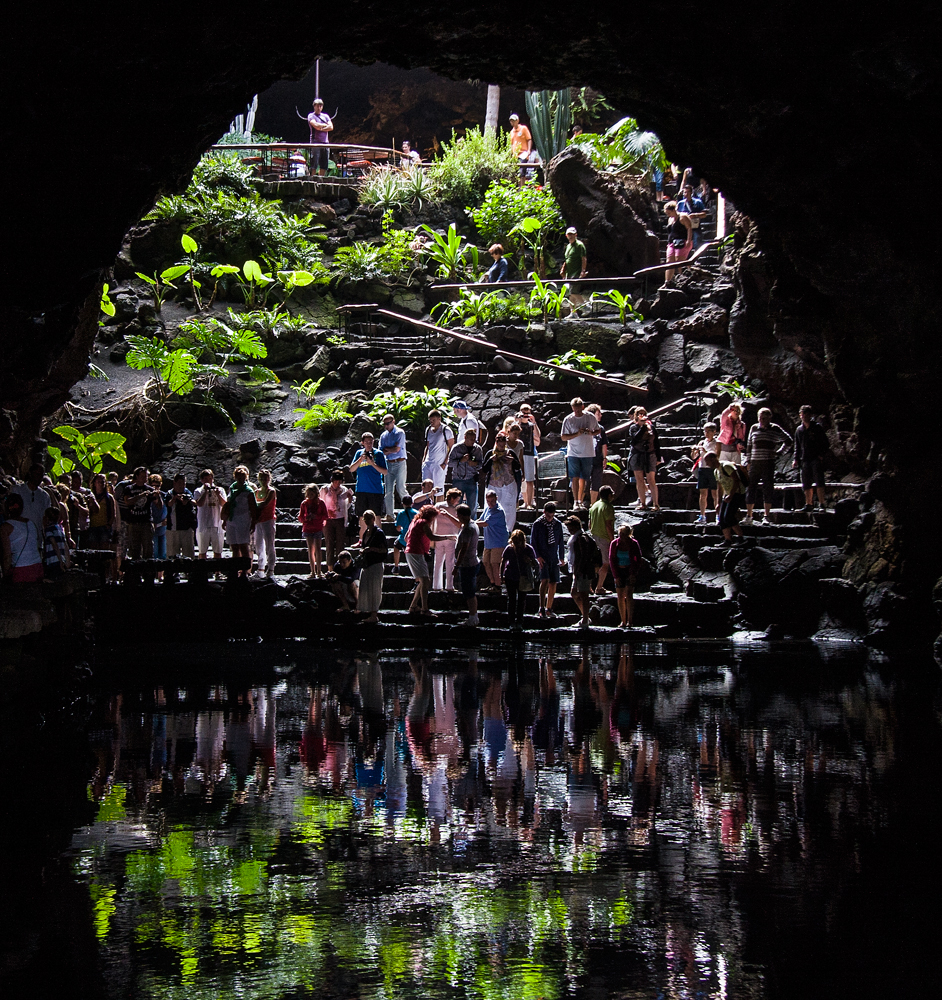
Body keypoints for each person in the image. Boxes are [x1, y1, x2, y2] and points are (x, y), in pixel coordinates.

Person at [742, 407, 792, 525]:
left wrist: (779, 453)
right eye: (760, 418)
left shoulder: (775, 429)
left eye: (765, 418)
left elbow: (788, 441)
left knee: (768, 488)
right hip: (755, 462)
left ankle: (767, 515)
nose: (762, 420)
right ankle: (749, 515)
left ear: (769, 418)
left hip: (768, 462)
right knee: (751, 488)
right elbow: (749, 445)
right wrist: (748, 461)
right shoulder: (754, 428)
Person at [405, 505, 456, 616]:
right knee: (425, 580)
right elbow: (432, 537)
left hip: (411, 551)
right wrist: (447, 537)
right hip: (416, 552)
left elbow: (406, 538)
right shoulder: (423, 523)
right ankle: (424, 609)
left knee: (422, 581)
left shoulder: (414, 521)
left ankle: (413, 606)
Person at [530, 501, 567, 618]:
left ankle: (549, 607)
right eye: (548, 516)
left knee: (553, 582)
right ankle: (541, 606)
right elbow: (533, 542)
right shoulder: (538, 524)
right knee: (544, 580)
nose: (550, 518)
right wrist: (538, 556)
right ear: (544, 512)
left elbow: (561, 541)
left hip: (553, 556)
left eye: (552, 516)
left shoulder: (557, 524)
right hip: (543, 556)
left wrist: (561, 557)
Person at [560, 397, 599, 509]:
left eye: (578, 409)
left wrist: (590, 433)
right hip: (573, 452)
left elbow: (598, 430)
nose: (577, 411)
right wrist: (577, 434)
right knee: (575, 477)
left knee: (584, 477)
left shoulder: (590, 417)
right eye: (575, 409)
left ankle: (580, 500)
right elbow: (563, 437)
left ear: (582, 407)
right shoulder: (568, 419)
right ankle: (576, 501)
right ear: (572, 408)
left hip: (587, 452)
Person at [481, 432, 522, 531]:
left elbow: (518, 467)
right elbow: (484, 469)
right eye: (499, 443)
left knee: (509, 509)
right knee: (491, 506)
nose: (501, 446)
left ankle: (508, 530)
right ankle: (491, 528)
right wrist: (491, 460)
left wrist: (512, 461)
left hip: (508, 483)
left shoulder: (510, 453)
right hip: (494, 484)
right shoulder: (490, 453)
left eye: (503, 444)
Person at [567, 516, 602, 628]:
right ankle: (585, 616)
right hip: (578, 570)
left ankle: (585, 621)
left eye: (570, 528)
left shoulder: (582, 538)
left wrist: (578, 571)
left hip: (583, 571)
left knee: (583, 595)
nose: (569, 530)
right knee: (574, 593)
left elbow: (584, 556)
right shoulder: (576, 537)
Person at [500, 528, 539, 629]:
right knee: (512, 600)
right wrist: (501, 575)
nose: (517, 544)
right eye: (515, 542)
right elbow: (503, 562)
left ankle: (519, 622)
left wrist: (529, 561)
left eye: (519, 542)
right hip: (510, 577)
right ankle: (512, 622)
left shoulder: (528, 549)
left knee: (521, 600)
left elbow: (535, 564)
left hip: (523, 577)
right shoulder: (509, 549)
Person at [793, 405, 830, 511]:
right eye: (803, 414)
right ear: (800, 415)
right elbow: (797, 446)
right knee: (806, 482)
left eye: (807, 414)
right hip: (804, 459)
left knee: (819, 480)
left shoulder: (817, 428)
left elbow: (825, 443)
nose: (805, 416)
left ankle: (822, 504)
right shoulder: (799, 430)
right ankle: (809, 504)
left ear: (810, 415)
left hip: (816, 459)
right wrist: (796, 459)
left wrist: (821, 455)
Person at [223, 465, 258, 576]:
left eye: (243, 477)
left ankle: (244, 570)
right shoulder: (232, 489)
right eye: (239, 477)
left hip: (243, 520)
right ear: (235, 477)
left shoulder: (248, 491)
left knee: (243, 545)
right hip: (232, 520)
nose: (241, 479)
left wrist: (253, 522)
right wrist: (225, 519)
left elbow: (253, 508)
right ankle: (234, 569)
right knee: (234, 545)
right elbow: (228, 505)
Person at [704, 453, 746, 544]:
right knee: (722, 518)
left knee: (728, 517)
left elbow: (736, 480)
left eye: (707, 461)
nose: (707, 464)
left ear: (713, 459)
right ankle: (728, 539)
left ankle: (741, 538)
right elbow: (719, 487)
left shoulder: (726, 466)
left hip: (737, 493)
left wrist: (731, 495)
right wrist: (718, 502)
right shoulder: (716, 471)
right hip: (726, 495)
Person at [10, 463, 57, 544]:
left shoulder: (44, 496)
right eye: (37, 474)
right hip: (18, 537)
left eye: (41, 475)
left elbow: (45, 518)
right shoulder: (17, 490)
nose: (38, 477)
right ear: (30, 473)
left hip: (36, 539)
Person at [1, 494, 43, 583]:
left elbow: (7, 555)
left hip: (21, 569)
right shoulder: (31, 523)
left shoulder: (5, 527)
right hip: (37, 566)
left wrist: (5, 574)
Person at [627, 406, 661, 510]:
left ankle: (656, 504)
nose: (641, 415)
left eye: (643, 413)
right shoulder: (633, 428)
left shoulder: (652, 427)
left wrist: (658, 457)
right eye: (639, 414)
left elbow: (656, 442)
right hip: (637, 455)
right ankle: (642, 503)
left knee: (651, 479)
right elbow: (635, 440)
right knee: (639, 480)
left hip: (650, 455)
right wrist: (642, 428)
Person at [609, 524, 642, 628]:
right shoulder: (614, 544)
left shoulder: (633, 543)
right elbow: (611, 560)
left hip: (629, 570)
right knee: (620, 596)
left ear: (628, 535)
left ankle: (630, 620)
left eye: (623, 534)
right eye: (619, 534)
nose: (620, 536)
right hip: (619, 570)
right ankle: (623, 621)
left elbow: (638, 558)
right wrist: (616, 576)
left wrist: (633, 573)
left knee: (629, 595)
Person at [357, 509, 387, 623]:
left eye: (369, 519)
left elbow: (384, 550)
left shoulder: (378, 533)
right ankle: (368, 612)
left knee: (375, 589)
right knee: (365, 588)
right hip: (367, 564)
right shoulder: (366, 533)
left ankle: (374, 614)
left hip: (375, 564)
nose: (367, 521)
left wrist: (371, 549)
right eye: (366, 519)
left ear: (373, 519)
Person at [452, 503, 480, 626]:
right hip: (471, 562)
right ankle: (473, 616)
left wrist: (456, 565)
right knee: (469, 591)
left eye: (458, 515)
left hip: (468, 564)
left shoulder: (468, 528)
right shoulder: (472, 525)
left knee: (469, 592)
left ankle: (473, 617)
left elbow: (464, 549)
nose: (457, 517)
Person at [320, 470, 354, 569]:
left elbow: (346, 505)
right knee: (329, 543)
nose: (338, 484)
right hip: (328, 519)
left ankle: (340, 567)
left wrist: (350, 499)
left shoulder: (343, 489)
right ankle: (330, 567)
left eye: (339, 482)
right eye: (336, 481)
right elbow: (321, 503)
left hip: (340, 518)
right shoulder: (325, 489)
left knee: (340, 544)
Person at [123, 466, 159, 560]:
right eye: (143, 476)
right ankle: (135, 573)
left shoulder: (150, 489)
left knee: (148, 549)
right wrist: (140, 496)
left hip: (146, 522)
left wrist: (157, 496)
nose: (145, 478)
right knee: (134, 550)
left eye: (146, 476)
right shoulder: (129, 488)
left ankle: (148, 573)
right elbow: (128, 502)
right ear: (137, 476)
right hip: (133, 523)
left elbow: (158, 505)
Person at [477, 489, 509, 590]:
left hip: (498, 541)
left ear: (496, 499)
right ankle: (492, 583)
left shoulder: (498, 511)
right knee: (486, 562)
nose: (490, 503)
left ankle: (498, 585)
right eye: (488, 501)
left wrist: (469, 524)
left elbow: (485, 523)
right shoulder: (487, 509)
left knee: (495, 564)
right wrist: (472, 522)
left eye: (492, 501)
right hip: (489, 541)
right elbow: (480, 520)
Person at [350, 431, 388, 518]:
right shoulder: (359, 453)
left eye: (370, 442)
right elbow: (351, 469)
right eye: (366, 442)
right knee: (362, 517)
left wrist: (372, 464)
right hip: (361, 490)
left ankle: (377, 531)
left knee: (376, 516)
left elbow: (385, 472)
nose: (369, 444)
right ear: (362, 443)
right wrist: (360, 459)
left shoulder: (379, 454)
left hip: (375, 490)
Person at [432, 488, 463, 592]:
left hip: (438, 537)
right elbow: (459, 524)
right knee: (450, 563)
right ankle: (449, 585)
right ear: (453, 498)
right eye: (457, 499)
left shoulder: (438, 506)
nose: (458, 501)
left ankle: (436, 585)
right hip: (451, 538)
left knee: (438, 562)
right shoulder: (456, 509)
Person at [447, 429, 484, 515]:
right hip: (458, 479)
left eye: (474, 439)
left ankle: (471, 525)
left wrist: (475, 464)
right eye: (471, 439)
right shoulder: (456, 448)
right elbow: (450, 463)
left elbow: (481, 464)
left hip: (472, 479)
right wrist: (461, 461)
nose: (473, 441)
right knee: (457, 505)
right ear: (465, 437)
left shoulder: (477, 449)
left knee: (473, 506)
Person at [195, 469, 227, 565]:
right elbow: (199, 504)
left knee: (217, 550)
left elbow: (224, 504)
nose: (208, 481)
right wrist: (205, 491)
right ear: (201, 480)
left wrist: (218, 495)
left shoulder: (220, 490)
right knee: (202, 550)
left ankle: (217, 572)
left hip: (217, 524)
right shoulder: (198, 491)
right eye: (205, 479)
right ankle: (202, 572)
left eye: (210, 478)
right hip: (203, 524)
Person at [378, 414, 407, 521]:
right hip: (388, 463)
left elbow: (397, 449)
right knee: (388, 490)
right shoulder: (383, 436)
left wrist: (389, 449)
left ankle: (409, 511)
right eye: (384, 424)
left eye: (388, 423)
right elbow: (381, 451)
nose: (386, 426)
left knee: (400, 488)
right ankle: (390, 514)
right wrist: (391, 449)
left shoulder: (400, 433)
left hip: (399, 462)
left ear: (393, 422)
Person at [588, 484, 616, 594]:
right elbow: (608, 525)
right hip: (604, 538)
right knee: (605, 563)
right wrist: (612, 540)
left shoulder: (594, 506)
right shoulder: (608, 507)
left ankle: (589, 586)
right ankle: (599, 587)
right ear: (609, 495)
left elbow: (590, 524)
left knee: (594, 563)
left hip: (593, 537)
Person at [691, 422, 721, 524]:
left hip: (712, 469)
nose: (706, 433)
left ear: (714, 432)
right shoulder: (702, 442)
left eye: (709, 431)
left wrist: (704, 450)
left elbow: (716, 455)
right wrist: (694, 451)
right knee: (703, 494)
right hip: (702, 468)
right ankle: (702, 516)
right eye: (705, 431)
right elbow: (694, 457)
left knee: (715, 493)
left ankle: (718, 516)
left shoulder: (716, 442)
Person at [299, 484, 329, 578]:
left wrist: (316, 517)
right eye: (309, 493)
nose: (310, 495)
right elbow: (300, 517)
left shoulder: (321, 503)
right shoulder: (304, 504)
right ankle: (312, 571)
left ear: (316, 493)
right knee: (310, 550)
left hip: (317, 528)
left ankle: (319, 571)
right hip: (308, 528)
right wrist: (306, 518)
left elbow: (325, 516)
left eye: (312, 493)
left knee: (318, 549)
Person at [421, 410, 454, 492]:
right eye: (430, 420)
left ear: (439, 419)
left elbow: (451, 447)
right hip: (428, 463)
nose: (432, 422)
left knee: (439, 489)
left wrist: (445, 463)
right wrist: (424, 460)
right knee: (427, 488)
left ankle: (439, 505)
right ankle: (429, 504)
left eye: (433, 420)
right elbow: (428, 446)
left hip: (439, 463)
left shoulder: (446, 430)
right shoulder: (428, 429)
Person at [516, 403, 541, 509]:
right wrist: (518, 421)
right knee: (522, 479)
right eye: (524, 413)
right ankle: (525, 501)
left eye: (527, 413)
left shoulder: (531, 424)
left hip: (529, 452)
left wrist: (534, 422)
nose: (525, 415)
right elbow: (513, 432)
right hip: (519, 453)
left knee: (530, 479)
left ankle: (530, 502)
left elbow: (538, 436)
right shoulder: (517, 423)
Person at [253, 470, 277, 577]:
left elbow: (265, 503)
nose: (264, 480)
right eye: (262, 478)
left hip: (268, 520)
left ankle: (271, 568)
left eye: (266, 478)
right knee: (258, 545)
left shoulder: (271, 491)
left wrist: (252, 505)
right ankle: (260, 569)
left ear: (269, 479)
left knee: (269, 544)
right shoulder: (256, 492)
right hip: (258, 521)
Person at [663, 201, 693, 282]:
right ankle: (667, 281)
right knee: (669, 262)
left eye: (669, 213)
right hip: (672, 243)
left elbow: (689, 228)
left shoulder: (683, 217)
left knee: (680, 261)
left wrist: (688, 240)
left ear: (673, 210)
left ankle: (685, 279)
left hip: (682, 241)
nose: (668, 215)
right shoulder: (670, 219)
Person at [86, 472, 116, 552]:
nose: (100, 484)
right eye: (98, 482)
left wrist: (109, 524)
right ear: (94, 483)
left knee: (104, 549)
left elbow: (113, 514)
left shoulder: (109, 497)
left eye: (102, 482)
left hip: (104, 526)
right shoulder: (90, 497)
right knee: (93, 549)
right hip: (93, 526)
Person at [586, 403, 609, 505]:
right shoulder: (585, 426)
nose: (600, 415)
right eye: (598, 413)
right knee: (583, 481)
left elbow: (604, 444)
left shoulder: (601, 428)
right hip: (586, 458)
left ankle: (593, 504)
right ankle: (579, 502)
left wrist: (604, 458)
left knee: (596, 482)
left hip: (597, 459)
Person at [676, 183, 709, 247]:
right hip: (684, 228)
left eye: (688, 192)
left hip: (695, 226)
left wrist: (695, 215)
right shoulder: (680, 203)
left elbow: (704, 214)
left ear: (691, 193)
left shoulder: (698, 202)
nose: (686, 194)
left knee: (697, 243)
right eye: (685, 192)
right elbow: (676, 214)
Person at [307, 97, 333, 176]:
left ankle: (321, 179)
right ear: (314, 106)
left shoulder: (326, 116)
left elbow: (331, 127)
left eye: (320, 106)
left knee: (324, 163)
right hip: (315, 142)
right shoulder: (311, 116)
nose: (319, 107)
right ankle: (312, 180)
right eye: (317, 106)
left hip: (325, 142)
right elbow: (315, 125)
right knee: (314, 162)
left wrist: (321, 127)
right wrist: (325, 126)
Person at [43, 506, 70, 579]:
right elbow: (65, 545)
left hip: (53, 560)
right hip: (62, 559)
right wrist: (67, 560)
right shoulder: (59, 529)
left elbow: (54, 544)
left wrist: (60, 560)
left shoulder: (49, 529)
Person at [393, 494, 417, 574]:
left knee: (396, 546)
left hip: (404, 538)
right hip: (414, 538)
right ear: (412, 503)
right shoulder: (417, 513)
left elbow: (398, 527)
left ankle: (396, 566)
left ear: (403, 503)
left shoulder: (401, 513)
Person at [149, 473, 168, 561]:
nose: (155, 488)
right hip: (153, 528)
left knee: (163, 554)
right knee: (154, 552)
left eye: (157, 486)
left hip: (163, 529)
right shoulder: (148, 497)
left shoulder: (164, 496)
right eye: (153, 486)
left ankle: (161, 574)